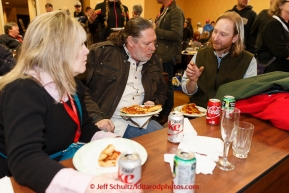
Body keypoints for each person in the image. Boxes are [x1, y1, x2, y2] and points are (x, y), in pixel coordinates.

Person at [0, 11, 139, 193]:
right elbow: (25, 160)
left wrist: (116, 142)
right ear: (57, 50)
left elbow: (85, 128)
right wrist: (90, 185)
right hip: (19, 181)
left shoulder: (71, 84)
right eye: (80, 44)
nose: (87, 50)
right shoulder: (22, 90)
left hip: (59, 168)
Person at [83, 17, 167, 138]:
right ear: (131, 41)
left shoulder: (154, 61)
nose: (153, 48)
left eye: (154, 42)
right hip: (109, 121)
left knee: (165, 140)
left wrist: (154, 103)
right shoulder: (102, 54)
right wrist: (96, 117)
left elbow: (162, 93)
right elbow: (78, 90)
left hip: (142, 122)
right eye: (147, 43)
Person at [181, 12, 257, 108]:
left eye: (223, 34)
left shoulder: (248, 61)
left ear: (235, 38)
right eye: (215, 31)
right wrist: (192, 81)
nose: (215, 38)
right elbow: (188, 91)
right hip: (198, 112)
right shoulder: (200, 54)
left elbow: (249, 97)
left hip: (228, 116)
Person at [154, 0, 184, 125]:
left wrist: (156, 30)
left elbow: (177, 34)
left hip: (168, 55)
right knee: (161, 85)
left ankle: (166, 113)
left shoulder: (176, 11)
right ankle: (161, 112)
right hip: (160, 54)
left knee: (168, 85)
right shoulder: (163, 10)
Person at [256, 0, 289, 73]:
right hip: (273, 74)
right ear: (280, 5)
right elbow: (283, 52)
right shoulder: (273, 24)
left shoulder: (286, 24)